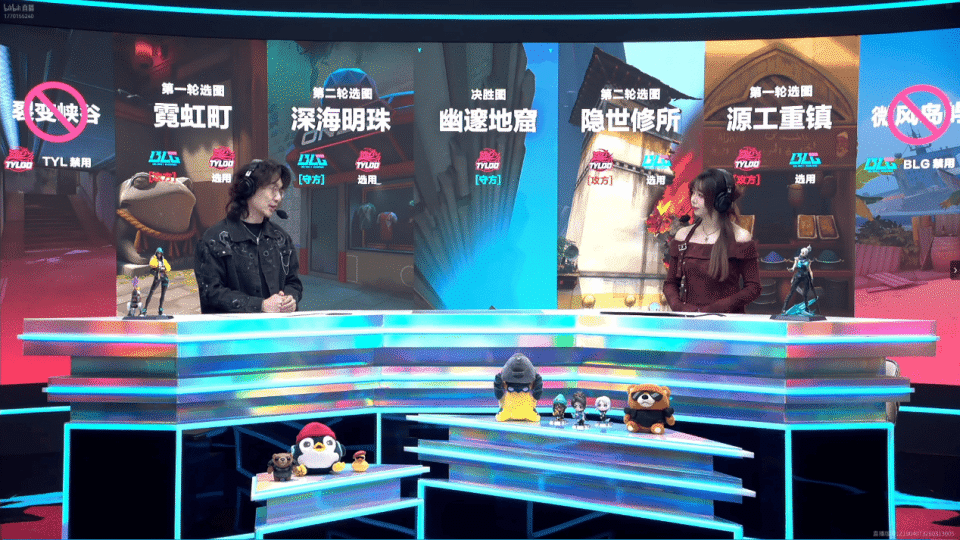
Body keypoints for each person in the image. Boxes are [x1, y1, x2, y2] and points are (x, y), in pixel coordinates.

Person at [194, 159, 303, 313]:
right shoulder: (214, 239)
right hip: (235, 327)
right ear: (249, 189)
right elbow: (211, 292)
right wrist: (260, 305)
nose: (278, 198)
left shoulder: (281, 238)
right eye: (273, 189)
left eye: (280, 191)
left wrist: (291, 298)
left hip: (276, 326)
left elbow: (294, 282)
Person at [662, 168, 761, 313]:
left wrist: (716, 309)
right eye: (693, 193)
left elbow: (753, 287)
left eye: (700, 195)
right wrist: (680, 307)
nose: (693, 199)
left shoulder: (740, 237)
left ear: (720, 200)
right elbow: (670, 283)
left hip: (727, 321)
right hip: (690, 320)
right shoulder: (683, 236)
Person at [781, 245, 818, 314]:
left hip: (805, 276)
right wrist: (791, 270)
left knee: (805, 294)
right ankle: (784, 308)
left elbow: (809, 270)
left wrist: (811, 278)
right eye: (801, 252)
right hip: (798, 275)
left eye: (803, 253)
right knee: (791, 292)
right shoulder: (797, 259)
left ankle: (807, 309)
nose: (802, 253)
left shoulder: (808, 261)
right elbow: (793, 268)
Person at [143, 247, 171, 316]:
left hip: (164, 276)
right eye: (158, 253)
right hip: (158, 277)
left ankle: (160, 308)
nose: (159, 255)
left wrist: (164, 268)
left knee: (163, 294)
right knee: (151, 292)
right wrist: (159, 267)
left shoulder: (163, 260)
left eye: (160, 253)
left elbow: (168, 267)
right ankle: (145, 308)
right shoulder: (154, 258)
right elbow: (152, 264)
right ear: (156, 253)